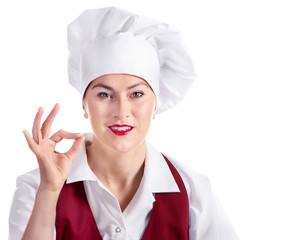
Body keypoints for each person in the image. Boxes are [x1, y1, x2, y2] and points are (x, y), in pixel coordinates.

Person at [9, 6, 239, 240]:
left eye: (136, 94)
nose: (121, 112)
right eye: (104, 95)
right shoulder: (36, 187)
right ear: (83, 105)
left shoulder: (193, 191)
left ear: (156, 103)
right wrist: (49, 191)